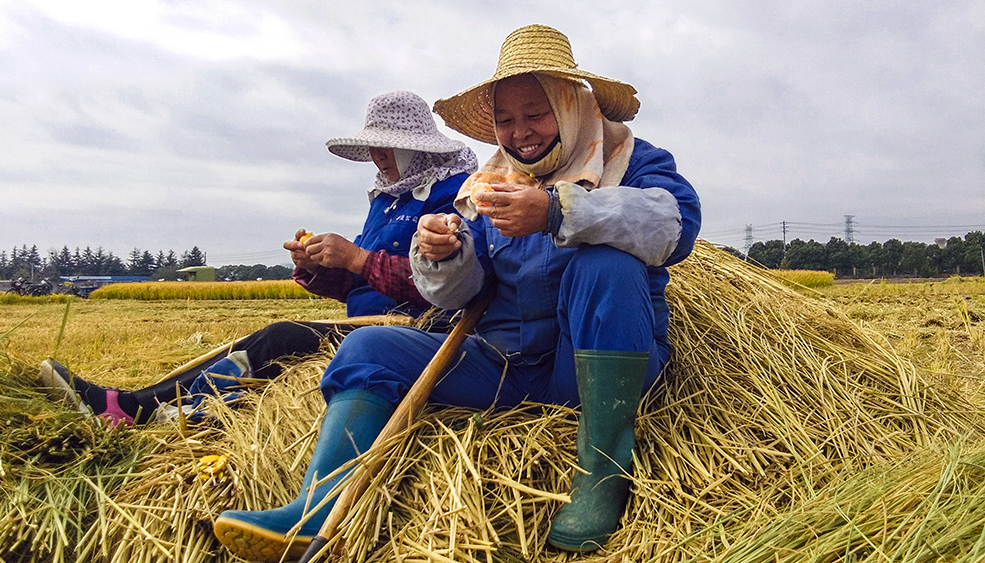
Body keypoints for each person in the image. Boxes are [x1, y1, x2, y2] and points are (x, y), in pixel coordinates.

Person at [213, 24, 701, 560]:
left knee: (605, 265)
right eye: (506, 120)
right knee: (366, 347)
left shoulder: (631, 160)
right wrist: (443, 256)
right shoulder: (488, 183)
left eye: (534, 114)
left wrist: (560, 211)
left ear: (569, 104)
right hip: (504, 365)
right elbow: (461, 294)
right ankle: (315, 507)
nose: (521, 133)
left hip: (590, 368)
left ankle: (599, 480)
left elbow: (675, 224)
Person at [38, 90, 479, 427]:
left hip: (408, 331)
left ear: (419, 147)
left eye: (389, 146)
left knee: (279, 337)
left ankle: (172, 411)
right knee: (251, 344)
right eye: (375, 147)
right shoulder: (386, 200)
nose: (378, 157)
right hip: (361, 323)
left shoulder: (451, 194)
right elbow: (357, 283)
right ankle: (138, 404)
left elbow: (447, 284)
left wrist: (357, 257)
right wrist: (318, 266)